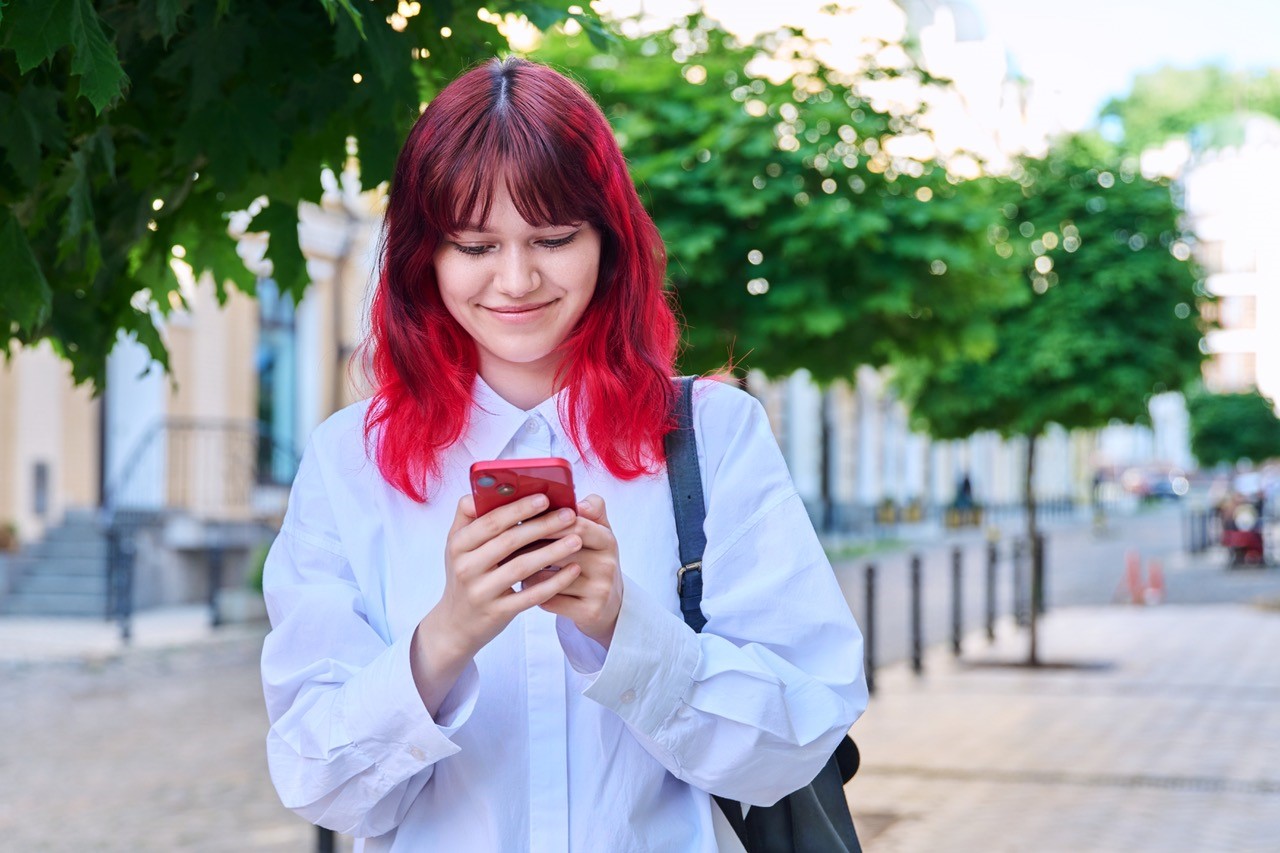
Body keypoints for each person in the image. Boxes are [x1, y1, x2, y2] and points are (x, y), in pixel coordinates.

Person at [260, 56, 867, 852]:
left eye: (552, 237)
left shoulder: (712, 434)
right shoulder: (352, 459)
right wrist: (445, 636)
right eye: (475, 244)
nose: (516, 280)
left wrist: (625, 628)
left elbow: (801, 734)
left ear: (609, 242)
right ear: (424, 256)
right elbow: (316, 779)